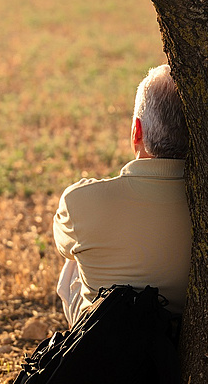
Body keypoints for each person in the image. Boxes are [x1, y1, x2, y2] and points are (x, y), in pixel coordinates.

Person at [53, 65, 192, 328]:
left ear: (136, 131)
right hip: (179, 343)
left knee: (74, 260)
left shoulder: (80, 201)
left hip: (106, 346)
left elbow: (62, 245)